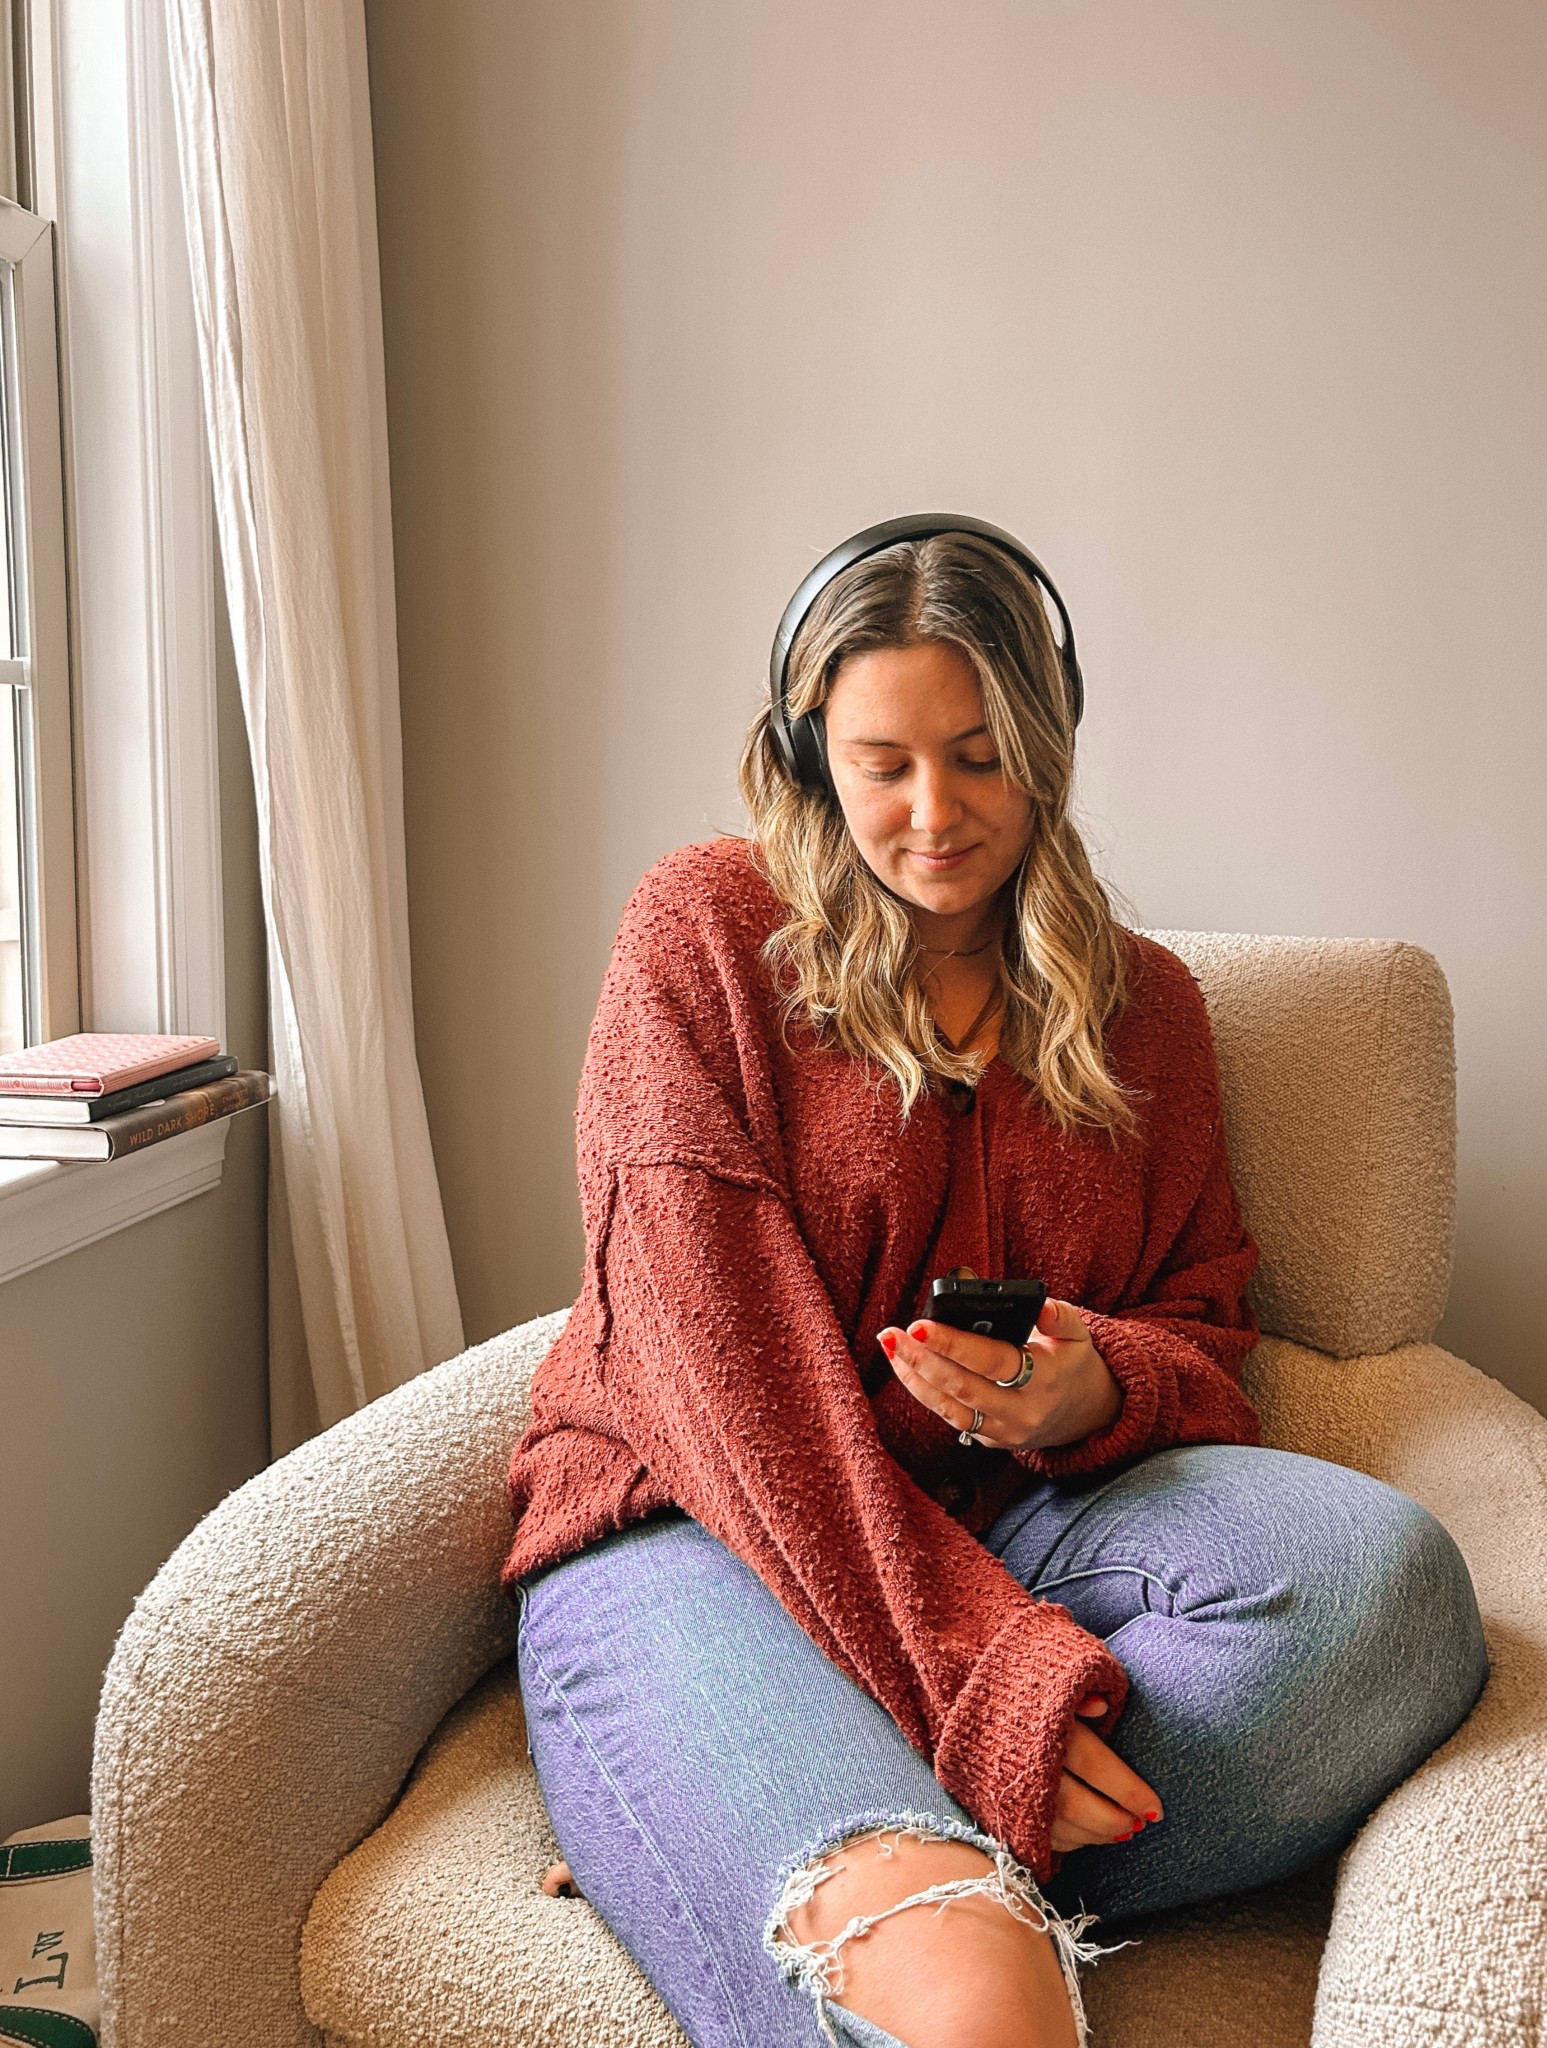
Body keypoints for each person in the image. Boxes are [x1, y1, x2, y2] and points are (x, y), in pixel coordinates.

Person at [504, 521, 1487, 2048]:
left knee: (1395, 1596)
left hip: (1019, 1521)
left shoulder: (1144, 1007)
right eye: (880, 760)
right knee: (972, 2004)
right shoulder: (702, 933)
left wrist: (1102, 1383)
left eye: (978, 756)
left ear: (1049, 743)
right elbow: (726, 1382)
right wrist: (990, 1685)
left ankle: (744, 1828)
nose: (934, 813)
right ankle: (816, 1838)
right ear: (804, 749)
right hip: (698, 1531)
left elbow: (1206, 1322)